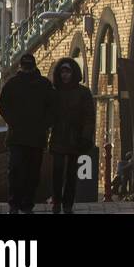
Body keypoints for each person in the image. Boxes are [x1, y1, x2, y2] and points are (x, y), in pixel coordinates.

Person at [0, 53, 54, 214]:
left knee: (33, 173)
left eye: (29, 66)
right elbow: (2, 104)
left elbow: (52, 108)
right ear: (21, 66)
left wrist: (44, 124)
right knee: (16, 171)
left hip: (36, 137)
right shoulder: (13, 84)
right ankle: (14, 204)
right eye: (25, 66)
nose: (27, 69)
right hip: (17, 137)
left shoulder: (43, 85)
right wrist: (13, 121)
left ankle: (27, 204)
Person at [48, 57, 95, 214]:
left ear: (73, 73)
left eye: (67, 72)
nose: (65, 75)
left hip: (75, 137)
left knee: (71, 172)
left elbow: (89, 117)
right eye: (62, 72)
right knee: (57, 170)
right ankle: (56, 200)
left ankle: (67, 202)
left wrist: (86, 137)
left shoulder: (83, 93)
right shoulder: (55, 93)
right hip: (58, 136)